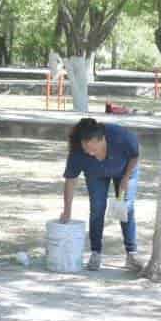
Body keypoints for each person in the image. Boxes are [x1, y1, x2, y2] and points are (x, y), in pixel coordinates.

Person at [60, 117, 144, 272]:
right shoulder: (78, 152)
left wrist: (126, 178)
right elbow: (70, 181)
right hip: (96, 174)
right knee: (97, 208)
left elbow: (135, 155)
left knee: (125, 207)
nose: (91, 153)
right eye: (87, 150)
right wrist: (67, 210)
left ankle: (131, 254)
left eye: (94, 149)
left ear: (102, 139)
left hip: (124, 170)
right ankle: (96, 252)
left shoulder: (121, 137)